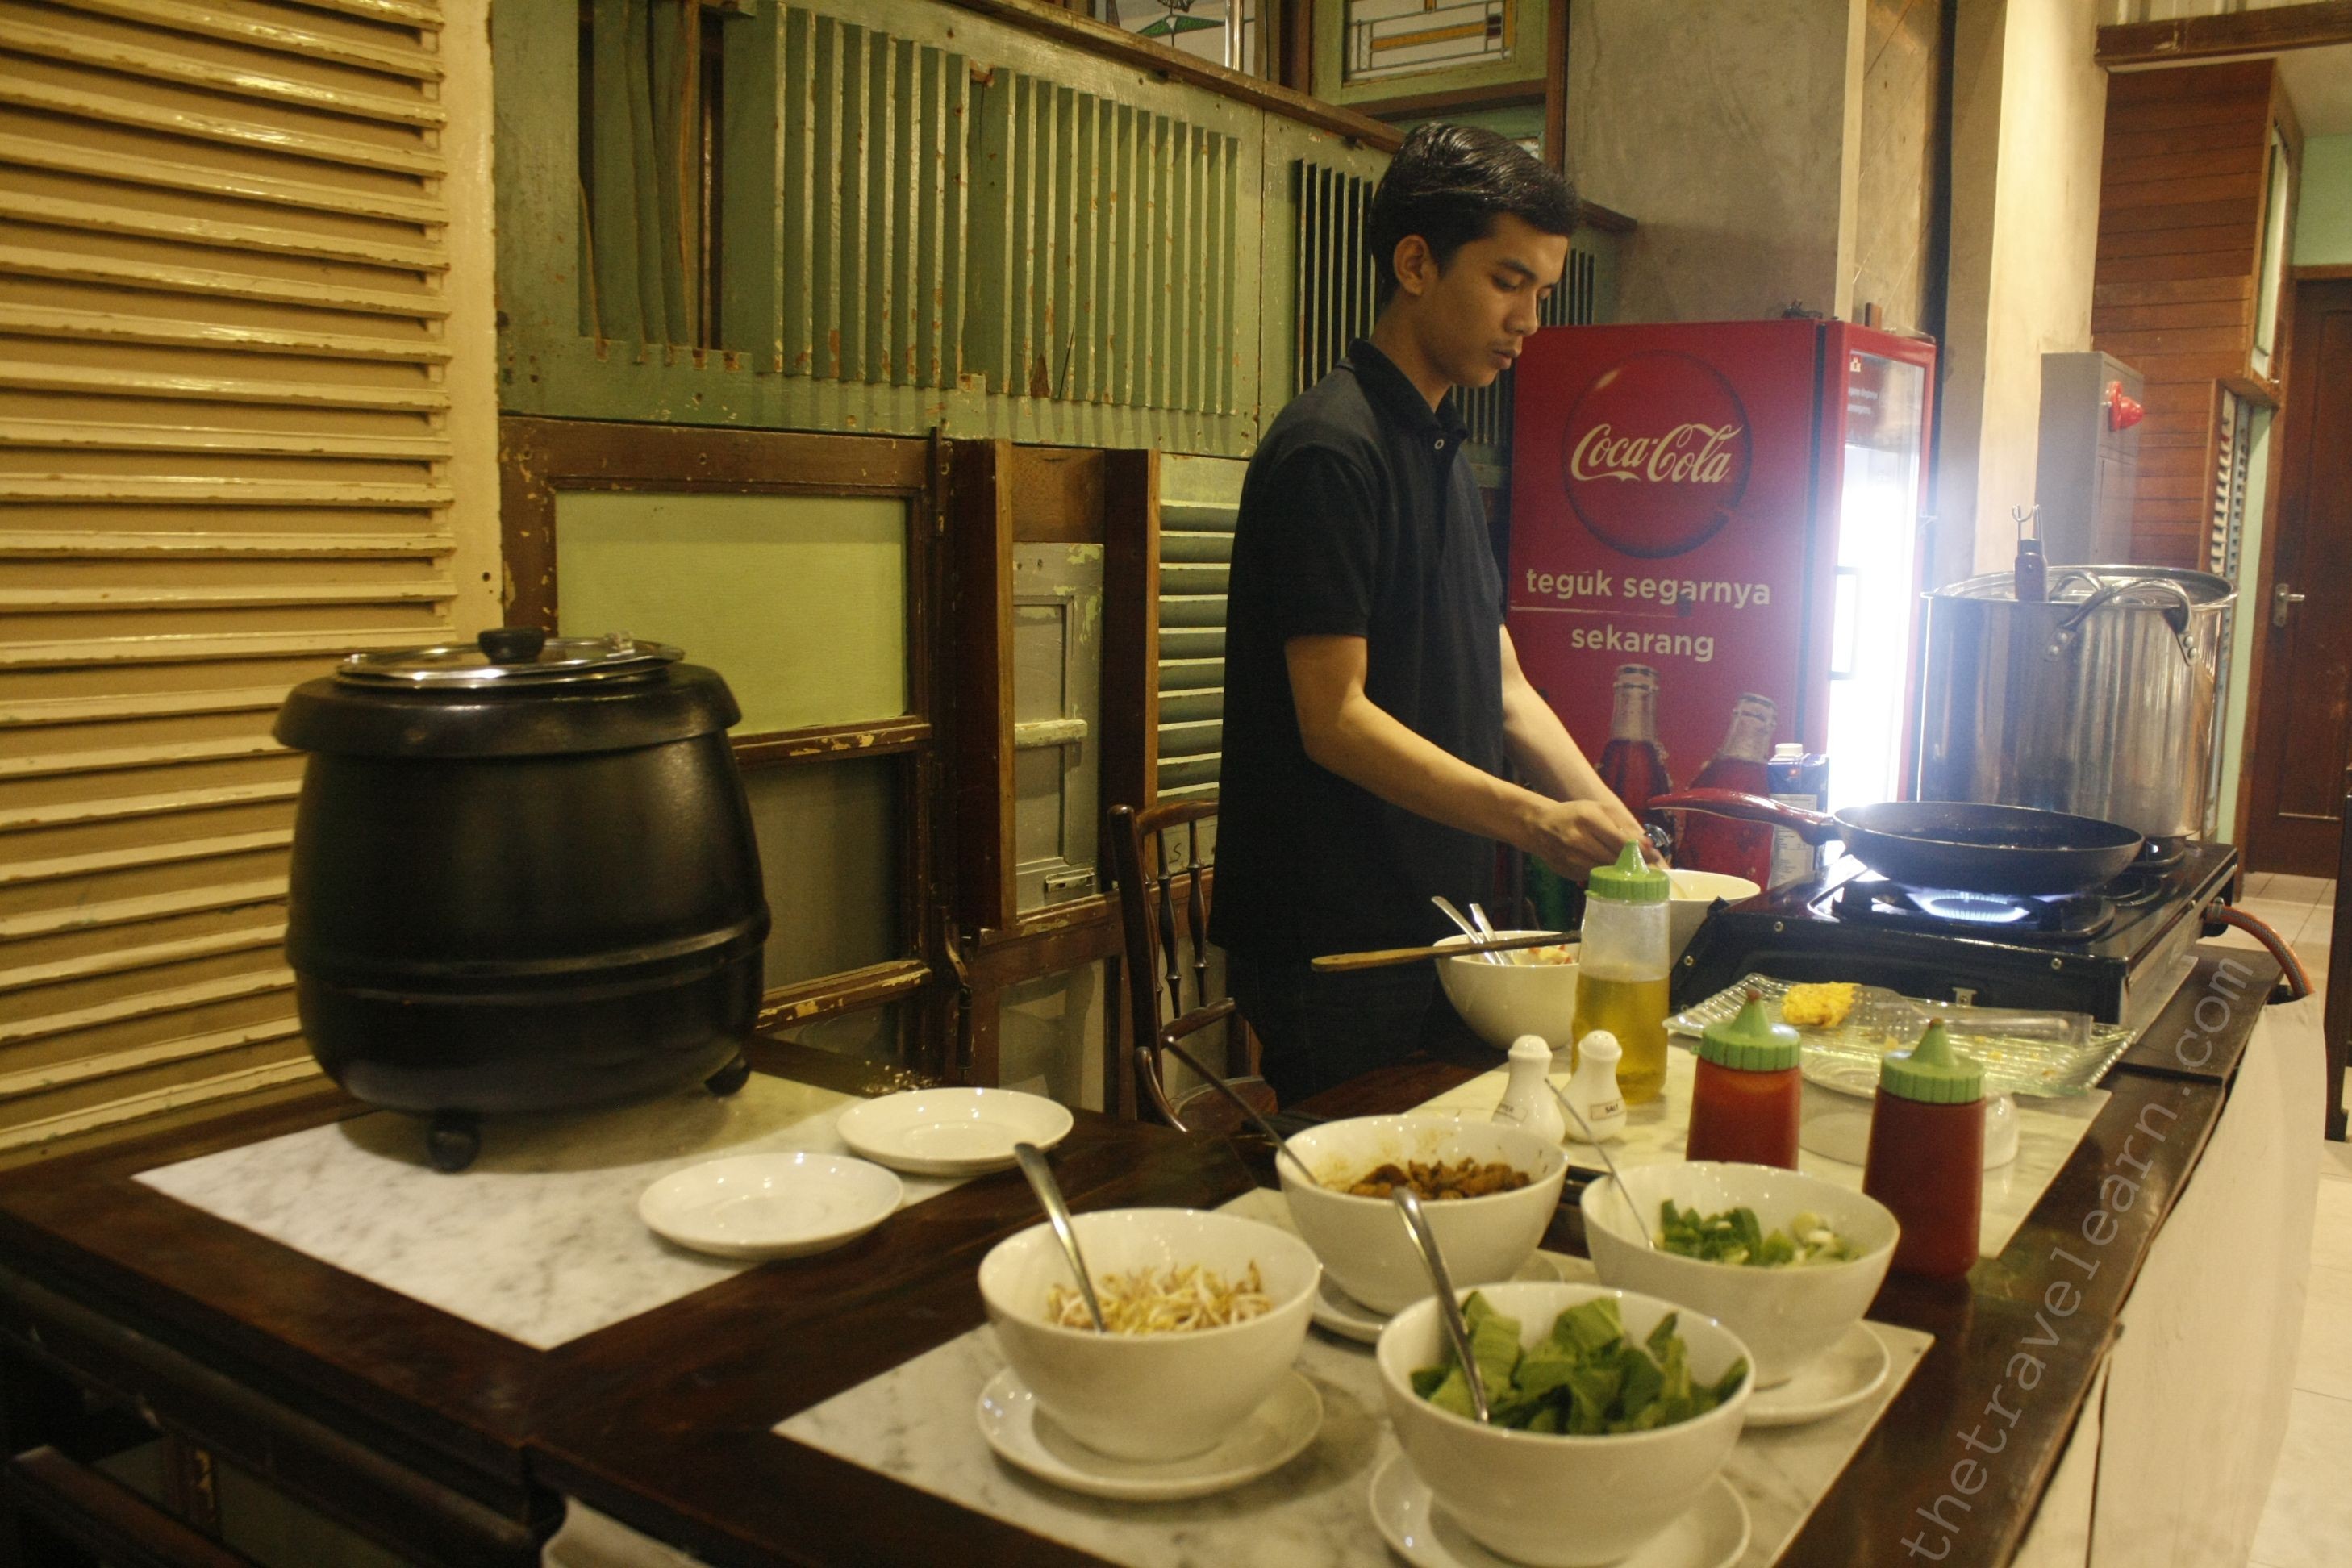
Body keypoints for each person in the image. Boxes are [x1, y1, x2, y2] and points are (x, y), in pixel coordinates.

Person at [1208, 123, 1649, 1105]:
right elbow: (1335, 719)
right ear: (1415, 264)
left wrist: (1625, 838)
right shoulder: (1331, 449)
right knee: (1370, 1185)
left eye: (1542, 292)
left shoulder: (1442, 447)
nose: (1527, 320)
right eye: (1506, 281)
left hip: (1437, 922)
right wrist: (1536, 821)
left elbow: (1503, 683)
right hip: (1338, 932)